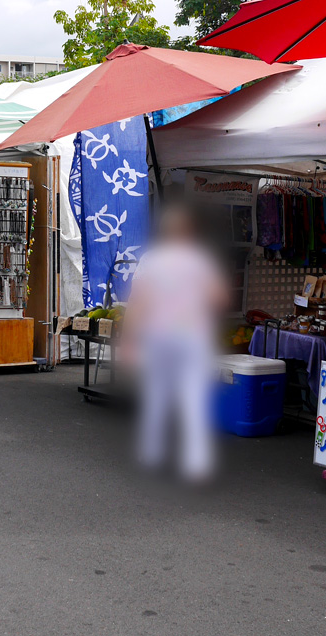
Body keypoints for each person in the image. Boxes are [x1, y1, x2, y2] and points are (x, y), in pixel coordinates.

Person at [124, 202, 226, 482]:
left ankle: (152, 452)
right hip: (192, 334)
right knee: (193, 395)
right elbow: (218, 298)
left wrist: (130, 338)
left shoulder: (151, 261)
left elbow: (137, 302)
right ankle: (196, 461)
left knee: (157, 393)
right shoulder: (200, 261)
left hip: (159, 334)